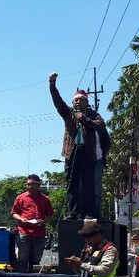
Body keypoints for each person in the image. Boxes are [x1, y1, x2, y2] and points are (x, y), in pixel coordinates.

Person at [49, 71, 109, 220]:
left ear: (86, 102)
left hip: (88, 153)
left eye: (81, 100)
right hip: (72, 152)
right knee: (72, 186)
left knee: (88, 186)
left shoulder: (93, 114)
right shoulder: (68, 113)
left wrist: (84, 120)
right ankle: (73, 213)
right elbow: (57, 101)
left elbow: (101, 125)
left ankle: (88, 213)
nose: (77, 103)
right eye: (75, 100)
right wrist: (52, 84)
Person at [10, 174, 53, 273]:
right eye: (28, 184)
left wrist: (44, 222)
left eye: (32, 184)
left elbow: (50, 215)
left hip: (39, 234)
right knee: (22, 259)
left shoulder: (45, 199)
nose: (30, 186)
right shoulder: (20, 198)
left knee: (36, 260)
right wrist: (21, 219)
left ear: (38, 185)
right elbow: (14, 213)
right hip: (24, 233)